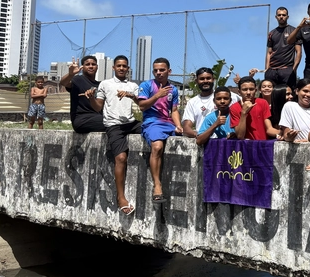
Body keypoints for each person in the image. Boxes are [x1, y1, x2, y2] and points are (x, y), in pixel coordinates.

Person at [88, 55, 140, 216]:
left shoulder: (133, 85)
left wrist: (132, 96)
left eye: (124, 66)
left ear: (128, 68)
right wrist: (91, 98)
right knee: (121, 158)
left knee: (154, 134)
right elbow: (98, 107)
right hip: (114, 125)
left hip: (130, 122)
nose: (122, 68)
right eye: (119, 66)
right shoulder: (105, 84)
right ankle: (121, 197)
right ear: (113, 67)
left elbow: (141, 104)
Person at [138, 57, 183, 204]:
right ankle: (157, 185)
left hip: (168, 123)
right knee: (157, 146)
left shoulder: (174, 89)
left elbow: (174, 109)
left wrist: (178, 124)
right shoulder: (146, 85)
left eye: (162, 70)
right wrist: (157, 95)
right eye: (155, 70)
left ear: (169, 71)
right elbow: (142, 106)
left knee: (189, 136)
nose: (158, 72)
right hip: (152, 122)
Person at [182, 67, 241, 138]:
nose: (205, 81)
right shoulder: (192, 102)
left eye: (208, 78)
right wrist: (200, 135)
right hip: (203, 143)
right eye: (202, 79)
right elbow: (186, 128)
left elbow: (247, 101)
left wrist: (241, 83)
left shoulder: (227, 95)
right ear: (196, 81)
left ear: (213, 79)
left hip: (226, 142)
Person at [60, 55, 104, 133]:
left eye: (93, 64)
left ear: (97, 67)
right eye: (87, 64)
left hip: (99, 118)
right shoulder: (78, 80)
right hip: (82, 120)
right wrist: (71, 74)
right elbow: (63, 83)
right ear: (82, 67)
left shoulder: (100, 85)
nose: (91, 66)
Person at [230, 76, 280, 140]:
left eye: (251, 89)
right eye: (245, 90)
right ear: (239, 92)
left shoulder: (263, 103)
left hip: (262, 145)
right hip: (245, 147)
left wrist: (283, 133)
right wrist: (243, 113)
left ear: (255, 90)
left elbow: (269, 129)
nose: (248, 93)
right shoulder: (234, 108)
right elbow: (240, 136)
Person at [264, 7, 301, 91]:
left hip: (287, 69)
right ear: (276, 17)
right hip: (272, 70)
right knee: (271, 94)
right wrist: (267, 69)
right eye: (279, 15)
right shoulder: (272, 33)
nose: (281, 17)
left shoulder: (294, 31)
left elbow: (298, 52)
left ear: (287, 17)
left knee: (288, 95)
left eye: (283, 15)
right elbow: (269, 52)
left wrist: (294, 69)